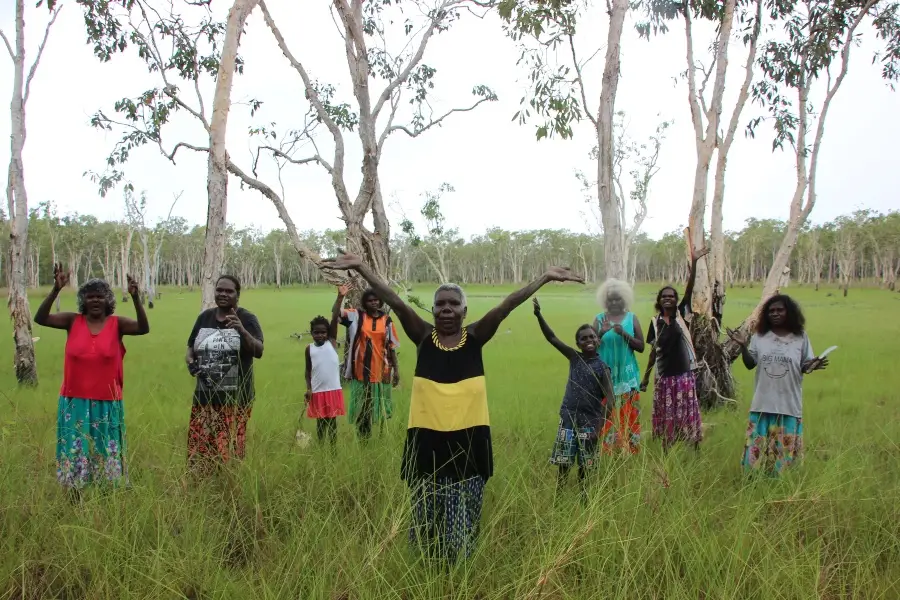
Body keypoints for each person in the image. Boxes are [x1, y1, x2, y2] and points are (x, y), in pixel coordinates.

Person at [322, 250, 584, 565]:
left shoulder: (475, 337)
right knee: (425, 525)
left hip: (468, 445)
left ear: (464, 310)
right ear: (432, 310)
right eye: (441, 304)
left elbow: (506, 306)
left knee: (462, 530)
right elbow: (394, 298)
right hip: (427, 444)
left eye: (453, 304)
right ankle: (427, 572)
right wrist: (362, 267)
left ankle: (456, 573)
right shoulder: (422, 337)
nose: (447, 309)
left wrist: (543, 277)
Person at [34, 264, 149, 492]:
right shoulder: (72, 321)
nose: (95, 301)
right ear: (83, 301)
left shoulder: (118, 325)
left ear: (108, 300)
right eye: (90, 297)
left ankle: (107, 491)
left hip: (108, 401)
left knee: (105, 447)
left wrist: (136, 298)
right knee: (76, 448)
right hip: (74, 400)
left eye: (100, 296)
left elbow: (143, 328)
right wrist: (55, 290)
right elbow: (41, 319)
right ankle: (75, 490)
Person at [727, 295, 827, 475]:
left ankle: (779, 485)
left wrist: (812, 365)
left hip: (788, 404)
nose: (775, 313)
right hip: (762, 403)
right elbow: (751, 364)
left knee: (783, 454)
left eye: (780, 310)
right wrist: (743, 346)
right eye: (771, 311)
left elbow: (805, 365)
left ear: (789, 312)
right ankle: (752, 482)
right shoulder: (760, 336)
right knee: (755, 453)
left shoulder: (800, 337)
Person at [533, 298, 612, 499]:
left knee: (586, 467)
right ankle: (558, 500)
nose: (588, 341)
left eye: (592, 337)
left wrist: (598, 428)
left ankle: (584, 499)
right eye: (584, 338)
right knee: (564, 463)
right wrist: (538, 315)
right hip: (568, 419)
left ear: (598, 340)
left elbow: (610, 401)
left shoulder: (603, 368)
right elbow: (552, 338)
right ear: (577, 343)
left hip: (590, 423)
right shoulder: (574, 358)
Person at [185, 275, 264, 474]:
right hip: (205, 396)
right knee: (201, 446)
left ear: (238, 295)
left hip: (236, 397)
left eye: (229, 291)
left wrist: (242, 330)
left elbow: (259, 351)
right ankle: (202, 482)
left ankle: (229, 484)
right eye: (220, 290)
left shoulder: (247, 318)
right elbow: (190, 347)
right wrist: (191, 362)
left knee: (230, 448)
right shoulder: (205, 317)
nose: (223, 294)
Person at [640, 247, 709, 452]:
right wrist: (645, 378)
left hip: (683, 376)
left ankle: (694, 453)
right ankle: (666, 455)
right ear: (659, 301)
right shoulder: (654, 323)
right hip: (664, 378)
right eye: (664, 296)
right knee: (666, 417)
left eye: (671, 296)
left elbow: (689, 288)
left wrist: (694, 262)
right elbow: (653, 353)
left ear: (676, 299)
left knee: (688, 415)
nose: (668, 298)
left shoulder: (681, 315)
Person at [333, 284, 400, 439]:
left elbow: (391, 347)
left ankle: (377, 439)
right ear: (365, 303)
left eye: (376, 300)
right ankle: (363, 437)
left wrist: (396, 370)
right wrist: (340, 296)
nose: (374, 303)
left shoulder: (387, 320)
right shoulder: (356, 315)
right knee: (363, 406)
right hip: (360, 371)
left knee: (380, 407)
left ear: (380, 301)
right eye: (370, 300)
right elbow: (336, 314)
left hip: (381, 371)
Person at [592, 279, 645, 455]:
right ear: (605, 301)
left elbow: (641, 347)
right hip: (605, 376)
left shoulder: (632, 318)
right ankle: (606, 450)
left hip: (627, 377)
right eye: (611, 300)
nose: (614, 303)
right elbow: (589, 347)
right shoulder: (599, 319)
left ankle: (630, 449)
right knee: (606, 413)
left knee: (628, 413)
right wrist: (601, 332)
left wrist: (623, 333)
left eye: (618, 299)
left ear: (624, 299)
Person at [303, 303, 346, 446]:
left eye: (323, 332)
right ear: (311, 333)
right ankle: (321, 449)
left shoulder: (331, 342)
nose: (320, 335)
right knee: (320, 423)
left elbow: (334, 319)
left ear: (328, 333)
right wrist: (309, 389)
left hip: (332, 390)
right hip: (318, 391)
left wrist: (340, 297)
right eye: (316, 332)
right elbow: (308, 370)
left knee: (332, 423)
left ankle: (333, 450)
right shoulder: (309, 349)